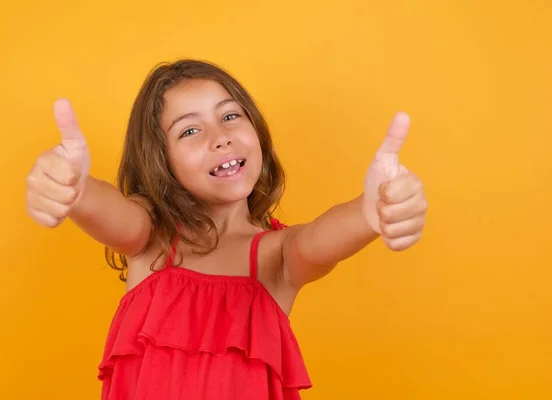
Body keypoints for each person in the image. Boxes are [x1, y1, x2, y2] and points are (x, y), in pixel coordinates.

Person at [25, 59, 428, 399]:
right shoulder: (152, 239)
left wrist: (370, 211)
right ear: (161, 162)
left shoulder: (275, 256)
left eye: (230, 116)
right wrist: (76, 189)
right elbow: (114, 213)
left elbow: (316, 242)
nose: (221, 138)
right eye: (189, 130)